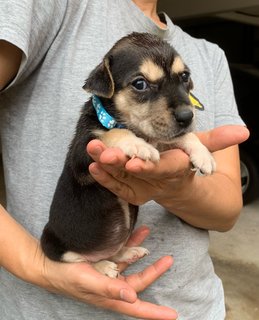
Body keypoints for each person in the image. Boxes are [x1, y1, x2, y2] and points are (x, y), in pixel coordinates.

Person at [0, 0, 249, 319]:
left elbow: (227, 213)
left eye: (182, 79)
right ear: (107, 86)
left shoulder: (210, 55)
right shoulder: (49, 6)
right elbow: (96, 140)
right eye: (142, 85)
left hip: (195, 306)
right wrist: (40, 268)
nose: (182, 107)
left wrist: (173, 187)